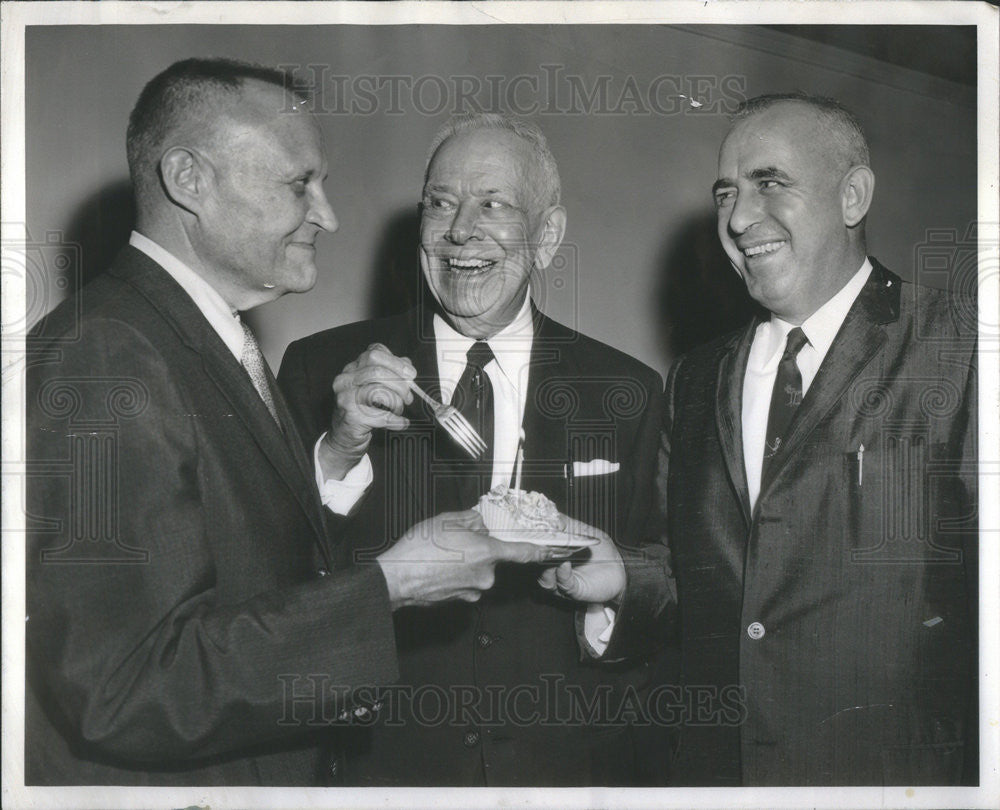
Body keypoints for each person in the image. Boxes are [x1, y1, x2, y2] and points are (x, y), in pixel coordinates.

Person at [25, 59, 563, 786]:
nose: (329, 215)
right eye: (297, 184)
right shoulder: (107, 356)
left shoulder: (209, 339)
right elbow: (122, 688)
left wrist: (340, 452)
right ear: (189, 179)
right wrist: (389, 586)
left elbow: (254, 563)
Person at [559, 92, 978, 786]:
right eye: (726, 193)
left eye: (770, 184)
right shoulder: (696, 378)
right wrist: (624, 580)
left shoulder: (959, 343)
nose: (739, 218)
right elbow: (694, 568)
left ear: (853, 196)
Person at [277, 113, 664, 786]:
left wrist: (618, 587)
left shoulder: (627, 389)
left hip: (571, 774)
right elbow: (274, 580)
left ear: (546, 237)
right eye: (441, 203)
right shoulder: (321, 371)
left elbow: (676, 576)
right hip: (385, 772)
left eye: (494, 204)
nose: (460, 231)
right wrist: (338, 448)